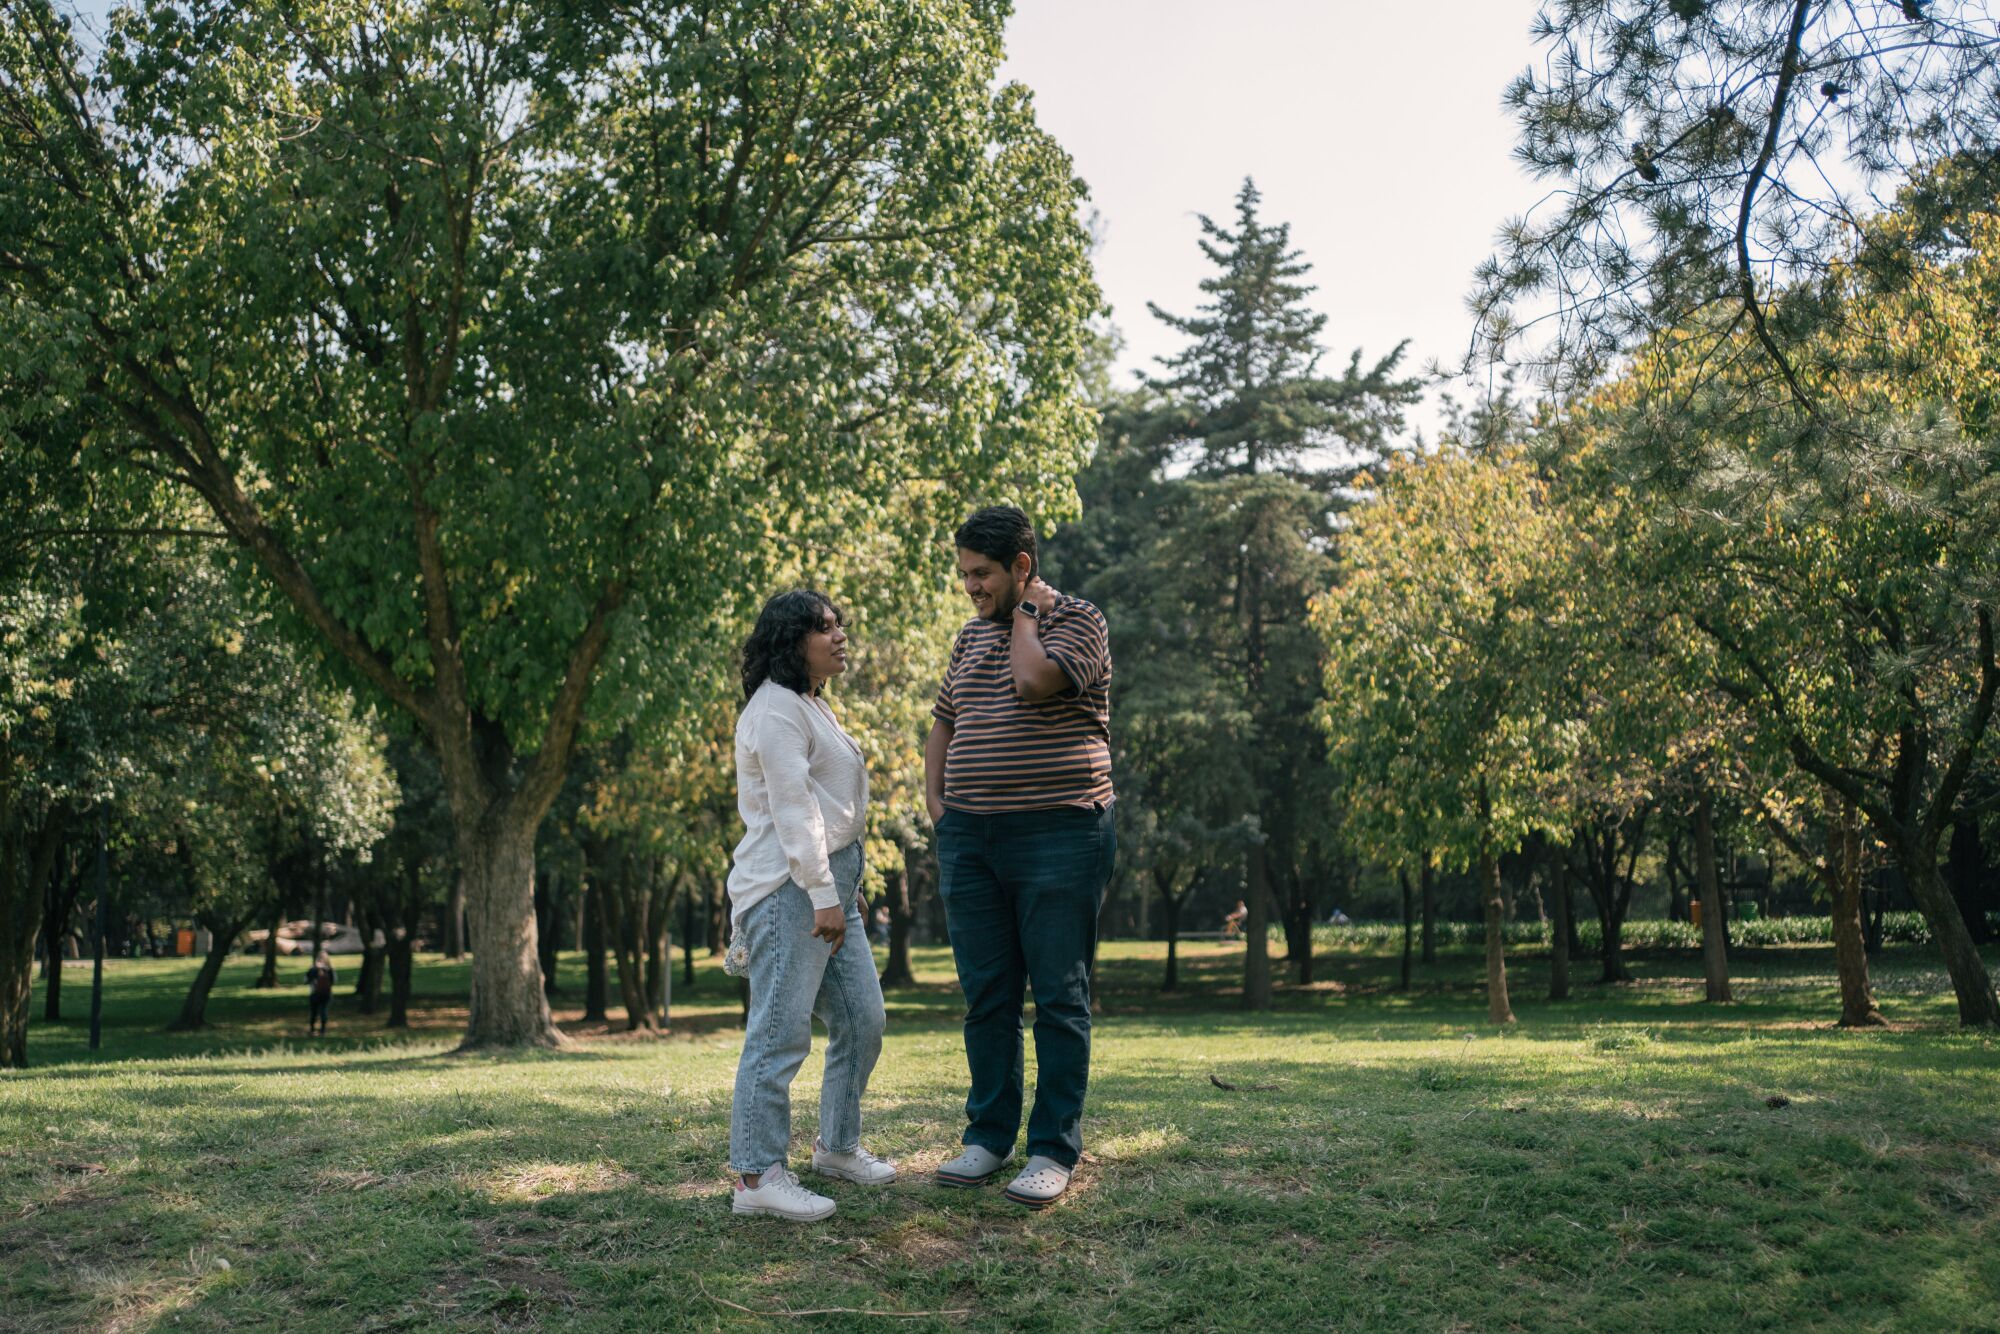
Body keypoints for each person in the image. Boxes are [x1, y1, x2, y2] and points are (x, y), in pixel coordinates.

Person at [926, 505, 1116, 1210]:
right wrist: (941, 811)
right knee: (988, 996)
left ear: (1023, 568)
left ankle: (1051, 1149)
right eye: (965, 574)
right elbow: (944, 722)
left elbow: (1034, 683)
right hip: (972, 838)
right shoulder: (969, 638)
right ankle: (988, 1136)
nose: (971, 587)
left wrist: (1027, 617)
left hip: (1060, 832)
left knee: (1059, 997)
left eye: (983, 574)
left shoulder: (1079, 622)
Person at [725, 590, 895, 1222]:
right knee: (778, 1033)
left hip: (826, 887)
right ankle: (756, 1177)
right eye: (825, 628)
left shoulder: (808, 705)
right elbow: (795, 813)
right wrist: (823, 892)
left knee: (862, 1019)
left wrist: (838, 886)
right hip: (790, 891)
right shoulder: (774, 710)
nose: (840, 635)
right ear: (792, 640)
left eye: (840, 624)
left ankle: (837, 1147)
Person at [304, 951, 336, 1036]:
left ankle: (312, 1029)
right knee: (324, 1010)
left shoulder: (312, 969)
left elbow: (305, 980)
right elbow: (334, 981)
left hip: (314, 993)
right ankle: (323, 1030)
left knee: (313, 1012)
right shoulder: (330, 969)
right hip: (326, 993)